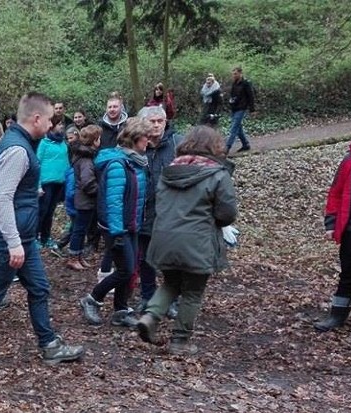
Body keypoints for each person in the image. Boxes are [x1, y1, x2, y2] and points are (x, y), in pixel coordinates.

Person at [0, 92, 85, 366]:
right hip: (10, 239)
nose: (52, 125)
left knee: (39, 288)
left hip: (23, 237)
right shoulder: (17, 149)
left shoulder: (21, 144)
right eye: (50, 120)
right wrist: (13, 242)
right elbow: (2, 197)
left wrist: (31, 191)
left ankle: (48, 344)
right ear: (36, 118)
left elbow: (13, 189)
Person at [136, 126, 238, 354]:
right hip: (197, 242)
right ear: (215, 147)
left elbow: (160, 202)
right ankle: (180, 341)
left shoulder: (169, 171)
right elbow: (227, 213)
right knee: (192, 291)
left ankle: (150, 316)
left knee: (171, 283)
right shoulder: (218, 175)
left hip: (163, 238)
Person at [79, 117, 151, 329]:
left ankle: (121, 310)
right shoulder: (119, 164)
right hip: (117, 228)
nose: (149, 141)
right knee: (125, 270)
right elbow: (114, 201)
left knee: (128, 269)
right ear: (135, 138)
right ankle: (92, 299)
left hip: (133, 225)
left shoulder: (137, 162)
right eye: (146, 137)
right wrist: (117, 233)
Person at [137, 105, 182, 309]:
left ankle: (171, 298)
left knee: (170, 260)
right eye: (152, 121)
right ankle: (147, 296)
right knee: (145, 258)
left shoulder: (177, 143)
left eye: (160, 121)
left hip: (171, 213)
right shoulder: (136, 145)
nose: (156, 125)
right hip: (143, 213)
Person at [314, 140, 351, 331]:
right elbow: (336, 192)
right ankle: (336, 316)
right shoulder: (350, 160)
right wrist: (330, 223)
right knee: (348, 275)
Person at [65, 124, 102, 271]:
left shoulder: (85, 155)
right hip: (85, 200)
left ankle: (78, 256)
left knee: (81, 229)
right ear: (95, 140)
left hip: (84, 199)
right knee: (79, 230)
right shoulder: (86, 159)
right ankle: (73, 257)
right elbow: (87, 181)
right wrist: (99, 191)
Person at [36, 114, 69, 251]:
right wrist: (37, 185)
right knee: (42, 211)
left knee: (50, 211)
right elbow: (37, 163)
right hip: (46, 182)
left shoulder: (63, 143)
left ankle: (46, 237)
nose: (62, 126)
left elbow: (66, 161)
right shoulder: (43, 143)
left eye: (62, 124)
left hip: (59, 182)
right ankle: (34, 237)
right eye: (59, 124)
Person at [225, 66, 255, 153]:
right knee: (238, 128)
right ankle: (245, 144)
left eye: (235, 74)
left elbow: (251, 96)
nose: (234, 75)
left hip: (242, 108)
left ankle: (227, 147)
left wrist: (252, 109)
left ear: (240, 73)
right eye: (233, 74)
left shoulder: (246, 83)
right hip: (234, 107)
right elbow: (233, 95)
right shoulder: (234, 83)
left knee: (234, 127)